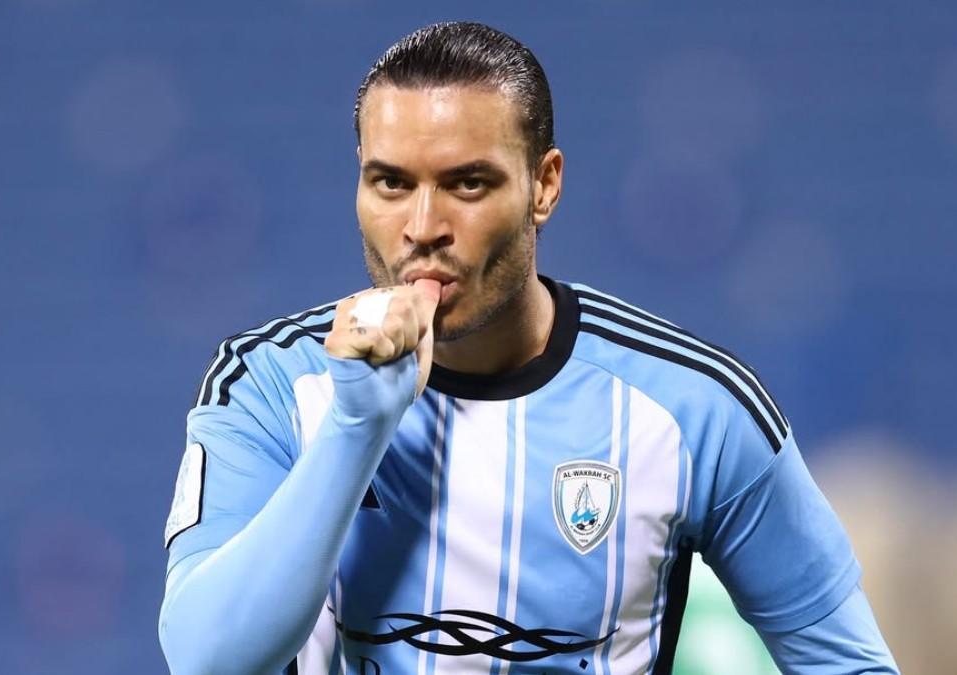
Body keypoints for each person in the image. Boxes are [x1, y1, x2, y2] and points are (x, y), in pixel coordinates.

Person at [157, 21, 899, 675]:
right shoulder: (269, 384)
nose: (422, 225)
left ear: (544, 185)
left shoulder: (694, 411)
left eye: (467, 183)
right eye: (389, 182)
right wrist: (356, 429)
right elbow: (208, 658)